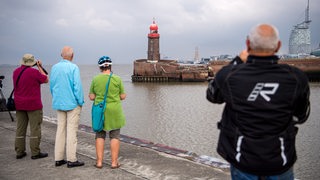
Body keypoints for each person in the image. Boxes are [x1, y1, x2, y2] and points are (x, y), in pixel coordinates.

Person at [206, 24, 310, 179]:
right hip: (280, 161)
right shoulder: (295, 78)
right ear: (278, 46)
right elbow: (301, 116)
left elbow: (212, 95)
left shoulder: (230, 75)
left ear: (248, 44)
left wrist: (237, 61)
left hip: (243, 160)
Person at [50, 46, 85, 168]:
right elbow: (77, 87)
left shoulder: (54, 68)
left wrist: (56, 98)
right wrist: (80, 102)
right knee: (71, 132)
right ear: (72, 55)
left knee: (60, 130)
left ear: (61, 55)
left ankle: (58, 159)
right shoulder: (74, 67)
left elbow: (52, 86)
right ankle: (71, 159)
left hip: (59, 103)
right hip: (72, 104)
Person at [89, 56, 126, 169]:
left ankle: (99, 162)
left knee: (100, 134)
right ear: (110, 66)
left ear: (100, 67)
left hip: (101, 111)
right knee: (114, 135)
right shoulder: (117, 79)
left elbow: (91, 97)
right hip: (114, 110)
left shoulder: (95, 79)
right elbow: (123, 96)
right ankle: (114, 163)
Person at [13, 53, 49, 159]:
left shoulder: (15, 72)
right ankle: (35, 152)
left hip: (19, 104)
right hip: (33, 105)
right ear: (32, 62)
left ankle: (19, 151)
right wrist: (39, 67)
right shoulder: (34, 72)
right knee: (35, 129)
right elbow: (45, 79)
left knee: (20, 128)